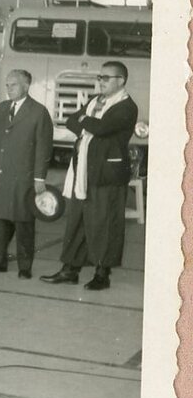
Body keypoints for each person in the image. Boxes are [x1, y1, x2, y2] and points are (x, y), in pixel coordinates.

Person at [40, 61, 138, 290]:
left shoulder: (126, 106)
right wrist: (88, 122)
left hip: (107, 174)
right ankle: (70, 270)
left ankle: (102, 274)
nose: (101, 81)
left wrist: (85, 120)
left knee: (104, 223)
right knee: (77, 220)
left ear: (121, 81)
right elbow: (71, 120)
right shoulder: (95, 100)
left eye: (106, 78)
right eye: (100, 77)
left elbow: (102, 128)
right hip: (83, 171)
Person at [0, 69, 53, 279]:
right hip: (0, 174)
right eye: (7, 85)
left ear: (26, 86)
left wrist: (39, 177)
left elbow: (43, 147)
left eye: (13, 85)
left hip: (24, 177)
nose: (9, 89)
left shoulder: (38, 112)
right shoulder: (3, 108)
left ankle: (25, 266)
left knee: (24, 222)